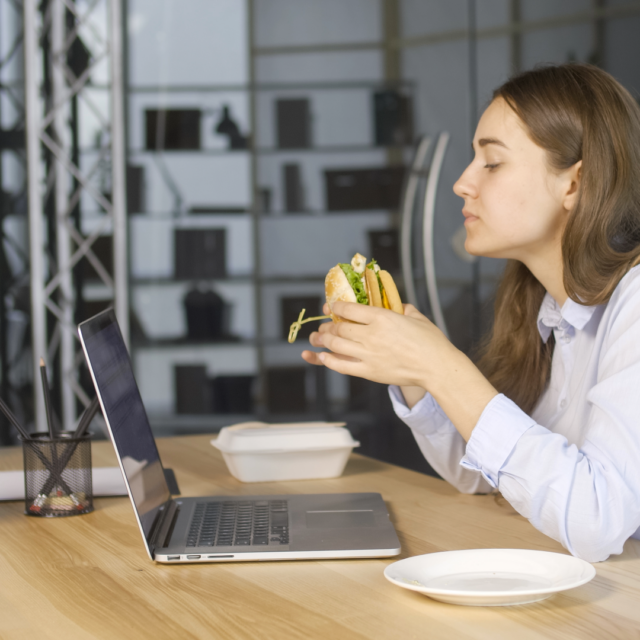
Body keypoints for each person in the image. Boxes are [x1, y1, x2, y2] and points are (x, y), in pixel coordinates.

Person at [301, 63, 640, 563]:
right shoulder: (547, 311)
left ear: (574, 184)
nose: (462, 183)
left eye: (492, 163)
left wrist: (442, 365)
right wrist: (416, 372)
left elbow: (596, 521)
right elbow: (482, 474)